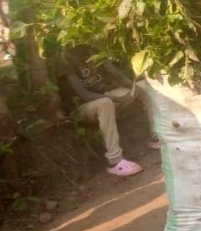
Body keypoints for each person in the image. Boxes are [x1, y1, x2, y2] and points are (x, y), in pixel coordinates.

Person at [55, 44, 160, 177]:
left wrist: (135, 89)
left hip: (107, 96)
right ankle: (115, 162)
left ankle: (156, 136)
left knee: (144, 86)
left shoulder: (94, 49)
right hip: (83, 106)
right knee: (105, 103)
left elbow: (118, 77)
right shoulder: (64, 59)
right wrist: (114, 98)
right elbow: (82, 94)